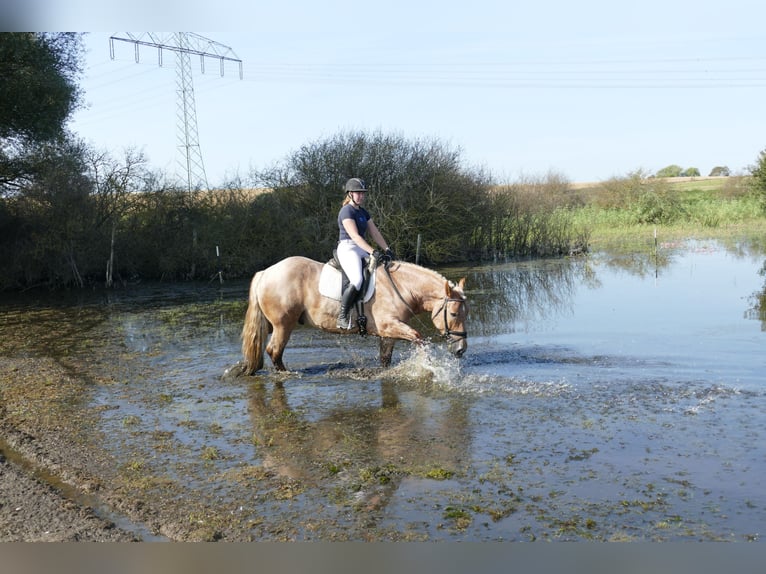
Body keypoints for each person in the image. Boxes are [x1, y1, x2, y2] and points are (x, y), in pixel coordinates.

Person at [336, 177, 393, 329]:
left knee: (382, 272)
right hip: (348, 248)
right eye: (358, 193)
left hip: (360, 248)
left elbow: (374, 232)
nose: (361, 196)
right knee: (357, 280)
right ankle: (342, 316)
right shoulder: (346, 211)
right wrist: (373, 251)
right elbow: (355, 236)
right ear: (350, 194)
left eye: (363, 193)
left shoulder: (362, 212)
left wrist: (386, 249)